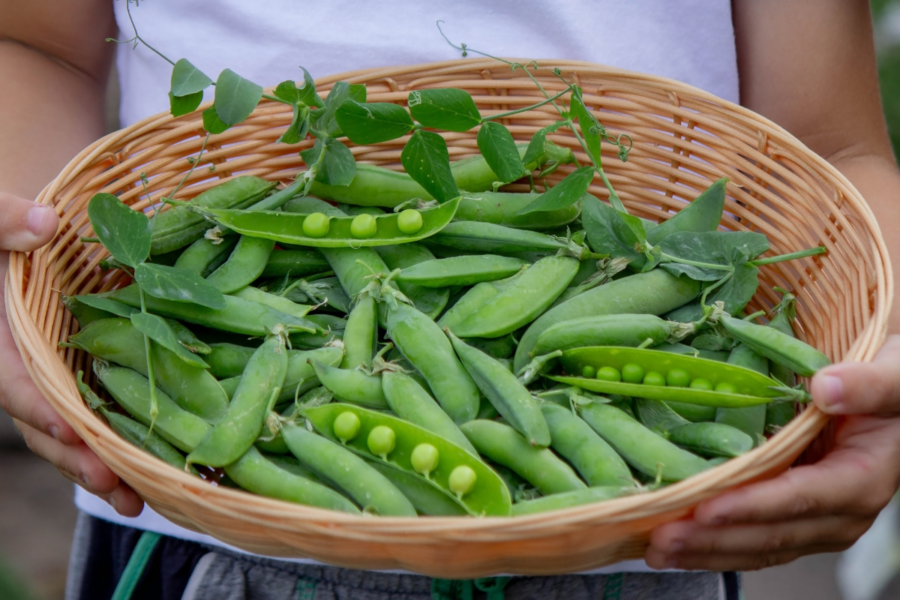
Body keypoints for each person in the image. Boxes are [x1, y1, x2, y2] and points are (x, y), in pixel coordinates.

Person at [2, 0, 899, 598]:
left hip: (646, 533)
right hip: (215, 525)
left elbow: (830, 144)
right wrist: (26, 275)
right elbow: (34, 42)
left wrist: (877, 355)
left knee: (502, 376)